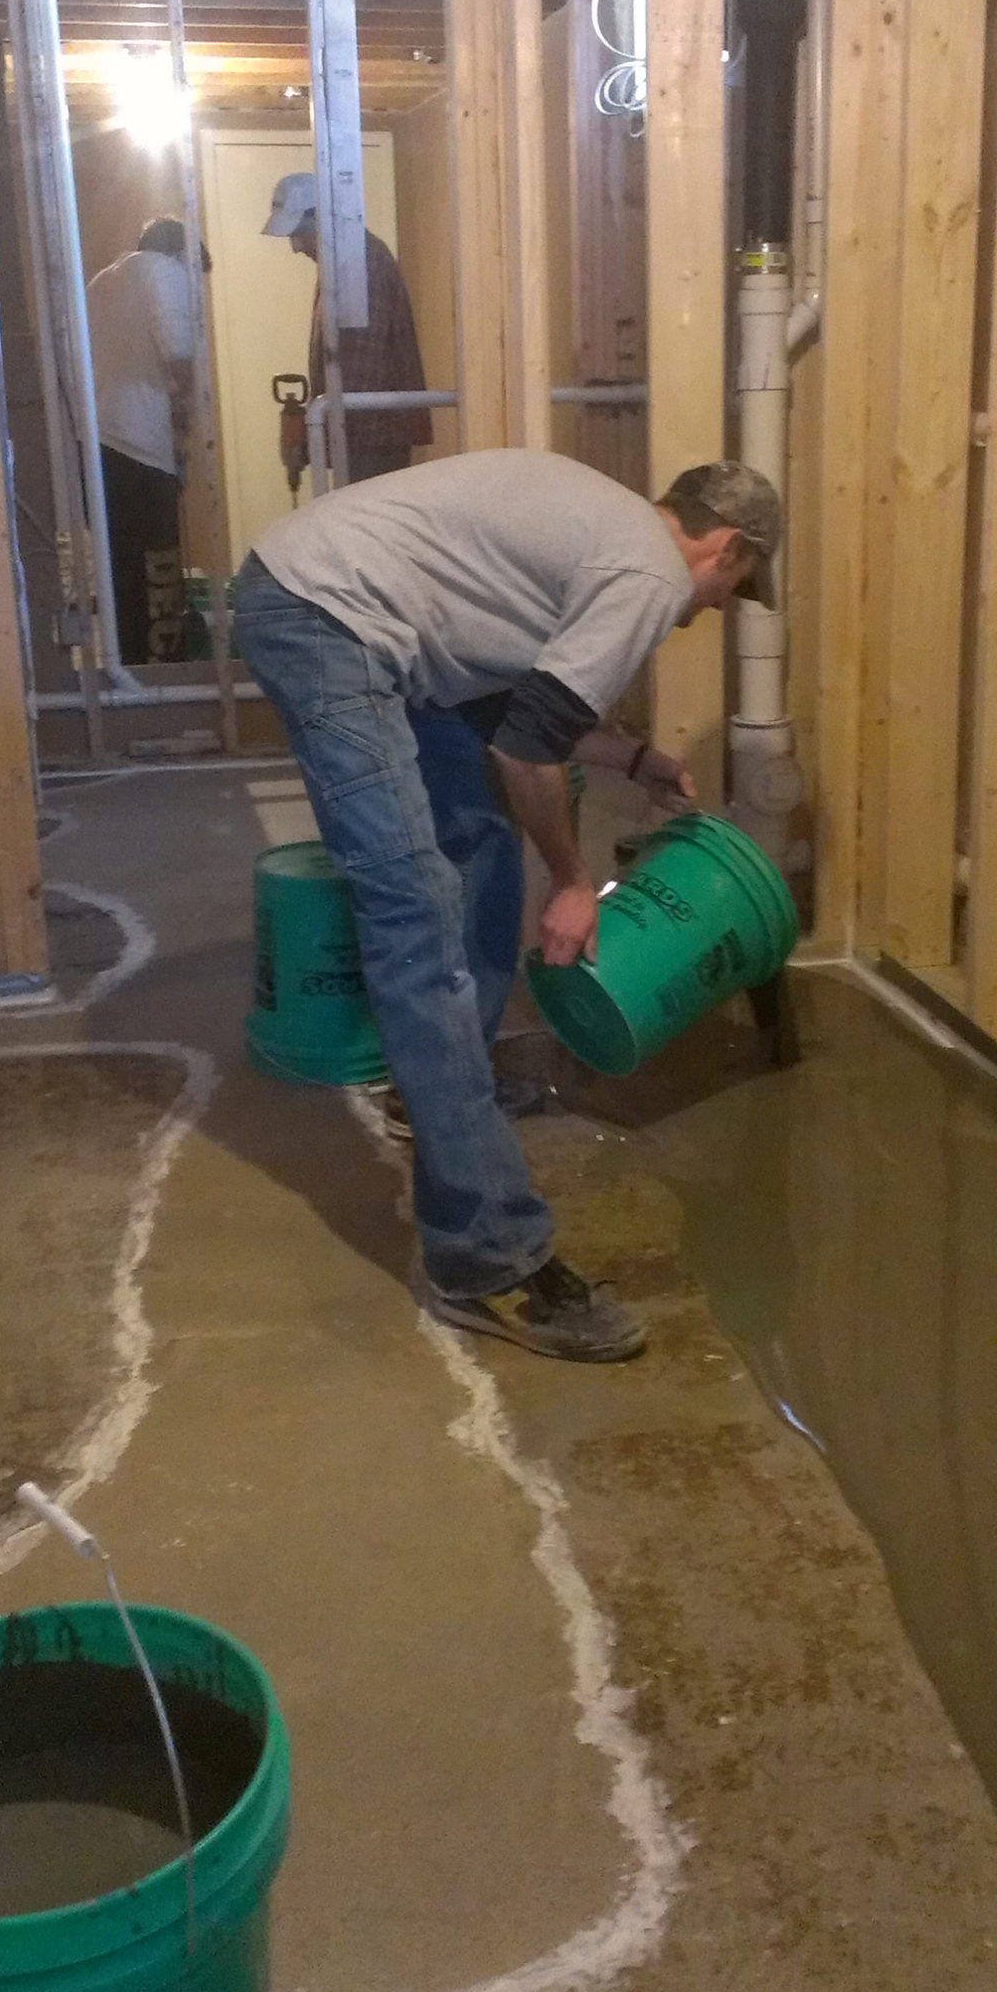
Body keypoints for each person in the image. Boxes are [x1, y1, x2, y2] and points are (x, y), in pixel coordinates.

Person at [233, 448, 783, 1365]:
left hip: (340, 606)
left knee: (480, 846)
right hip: (325, 621)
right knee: (416, 910)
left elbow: (518, 721)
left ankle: (447, 1096)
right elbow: (532, 756)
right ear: (722, 549)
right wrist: (572, 881)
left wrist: (634, 759)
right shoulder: (646, 573)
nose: (718, 609)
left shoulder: (603, 528)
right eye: (736, 587)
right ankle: (483, 1260)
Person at [85, 218, 210, 664]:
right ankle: (165, 678)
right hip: (144, 447)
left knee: (122, 571)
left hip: (101, 441)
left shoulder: (102, 282)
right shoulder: (164, 270)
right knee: (159, 567)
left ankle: (128, 671)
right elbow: (178, 353)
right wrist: (191, 418)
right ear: (181, 257)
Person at [262, 171, 432, 483]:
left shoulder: (358, 264)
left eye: (298, 233)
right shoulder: (344, 261)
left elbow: (358, 374)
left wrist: (317, 434)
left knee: (366, 528)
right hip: (364, 435)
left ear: (322, 219)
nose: (295, 247)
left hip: (371, 437)